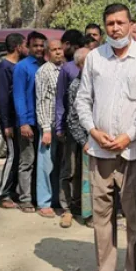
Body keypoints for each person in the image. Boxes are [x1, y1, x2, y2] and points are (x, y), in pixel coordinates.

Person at [76, 3, 136, 271]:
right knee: (102, 215)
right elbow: (83, 100)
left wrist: (128, 136)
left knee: (135, 218)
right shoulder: (95, 59)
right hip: (99, 151)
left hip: (132, 151)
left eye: (120, 23)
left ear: (130, 24)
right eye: (109, 23)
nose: (115, 28)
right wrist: (93, 131)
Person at [13, 31, 47, 213]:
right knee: (27, 161)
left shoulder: (46, 65)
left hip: (43, 121)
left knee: (41, 162)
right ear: (28, 46)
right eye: (36, 45)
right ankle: (25, 198)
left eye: (42, 45)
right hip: (28, 121)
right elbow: (18, 96)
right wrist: (23, 122)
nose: (39, 49)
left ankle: (37, 196)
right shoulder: (23, 67)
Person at [55, 29, 85, 228]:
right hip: (75, 134)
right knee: (70, 170)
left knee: (86, 174)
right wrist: (59, 127)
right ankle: (66, 209)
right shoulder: (74, 81)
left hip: (93, 136)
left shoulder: (96, 82)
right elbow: (64, 105)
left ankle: (83, 208)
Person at [0, 33, 27, 209]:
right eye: (24, 45)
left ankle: (13, 190)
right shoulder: (3, 67)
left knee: (19, 157)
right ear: (18, 47)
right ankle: (3, 193)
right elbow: (3, 99)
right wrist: (6, 124)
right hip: (9, 121)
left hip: (18, 119)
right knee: (12, 156)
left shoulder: (19, 66)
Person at [34, 39, 65, 218]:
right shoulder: (44, 72)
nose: (58, 52)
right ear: (48, 53)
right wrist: (45, 128)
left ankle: (56, 200)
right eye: (54, 50)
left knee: (59, 164)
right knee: (46, 164)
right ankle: (43, 202)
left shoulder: (65, 69)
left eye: (60, 49)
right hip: (49, 125)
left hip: (62, 125)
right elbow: (41, 100)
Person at [66, 47, 92, 227]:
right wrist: (84, 141)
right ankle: (89, 215)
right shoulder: (76, 85)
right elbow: (72, 118)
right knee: (87, 179)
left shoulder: (99, 82)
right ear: (80, 65)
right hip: (88, 140)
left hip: (106, 138)